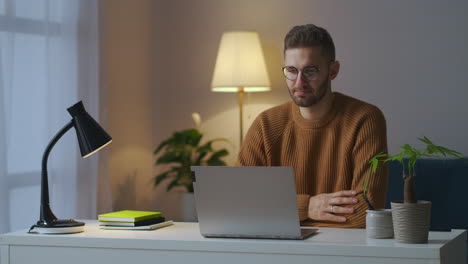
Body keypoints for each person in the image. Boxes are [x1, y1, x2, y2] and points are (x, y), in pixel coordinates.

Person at [236, 24, 388, 228]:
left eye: (310, 71)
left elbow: (364, 213)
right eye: (291, 70)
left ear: (333, 71)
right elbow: (238, 205)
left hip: (343, 252)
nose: (299, 82)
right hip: (277, 251)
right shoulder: (266, 124)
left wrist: (281, 212)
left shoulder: (365, 119)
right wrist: (306, 207)